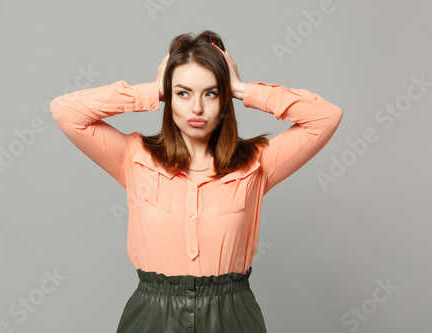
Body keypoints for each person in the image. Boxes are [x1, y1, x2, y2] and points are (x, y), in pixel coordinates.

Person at [50, 30, 343, 333]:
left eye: (211, 93)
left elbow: (326, 117)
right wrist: (152, 90)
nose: (197, 108)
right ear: (169, 97)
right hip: (153, 314)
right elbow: (65, 111)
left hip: (231, 314)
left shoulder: (256, 163)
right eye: (183, 93)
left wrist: (242, 89)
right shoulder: (134, 157)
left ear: (224, 99)